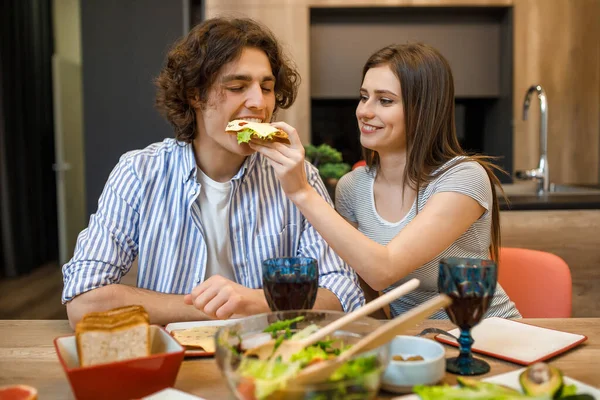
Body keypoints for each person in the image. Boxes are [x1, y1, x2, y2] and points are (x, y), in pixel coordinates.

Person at [62, 17, 364, 328]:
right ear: (195, 94)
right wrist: (212, 309)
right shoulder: (139, 173)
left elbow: (342, 295)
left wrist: (254, 301)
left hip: (265, 356)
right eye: (237, 86)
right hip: (174, 361)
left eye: (267, 87)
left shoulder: (298, 176)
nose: (259, 103)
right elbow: (84, 299)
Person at [251, 43, 521, 319]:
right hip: (416, 342)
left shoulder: (463, 176)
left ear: (424, 110)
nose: (364, 111)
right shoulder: (352, 187)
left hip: (483, 335)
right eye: (363, 96)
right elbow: (366, 289)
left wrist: (302, 192)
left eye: (385, 100)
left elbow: (384, 270)